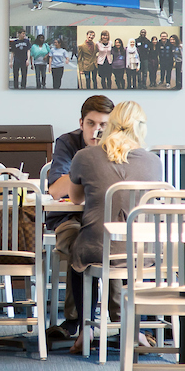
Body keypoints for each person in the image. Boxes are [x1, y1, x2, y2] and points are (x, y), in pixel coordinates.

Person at [67, 101, 163, 350]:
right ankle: (136, 329)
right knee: (129, 256)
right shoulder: (154, 162)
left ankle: (84, 330)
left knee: (76, 251)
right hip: (143, 252)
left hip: (98, 248)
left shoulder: (85, 156)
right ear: (140, 128)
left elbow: (75, 198)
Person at [44, 95, 115, 339]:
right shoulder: (67, 142)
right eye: (91, 124)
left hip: (104, 219)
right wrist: (89, 167)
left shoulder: (118, 144)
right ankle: (76, 321)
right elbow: (55, 189)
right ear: (81, 122)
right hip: (68, 219)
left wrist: (79, 178)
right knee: (79, 243)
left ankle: (119, 320)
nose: (97, 131)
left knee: (115, 245)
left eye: (103, 125)